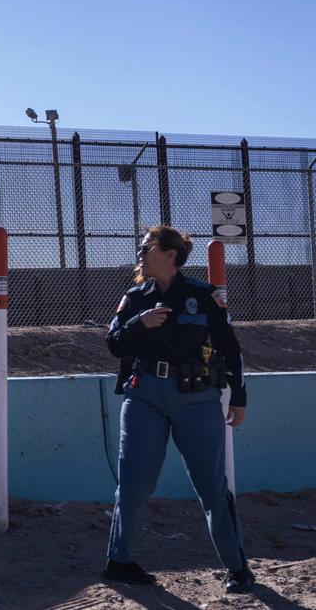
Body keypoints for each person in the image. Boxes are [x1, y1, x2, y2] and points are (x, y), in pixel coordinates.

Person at [103, 225, 253, 594]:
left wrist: (239, 395)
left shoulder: (202, 296)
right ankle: (120, 561)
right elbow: (114, 344)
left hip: (197, 399)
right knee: (134, 484)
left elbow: (230, 348)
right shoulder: (135, 298)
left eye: (146, 246)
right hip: (144, 398)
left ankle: (237, 569)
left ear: (170, 254)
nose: (140, 252)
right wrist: (140, 323)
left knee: (211, 487)